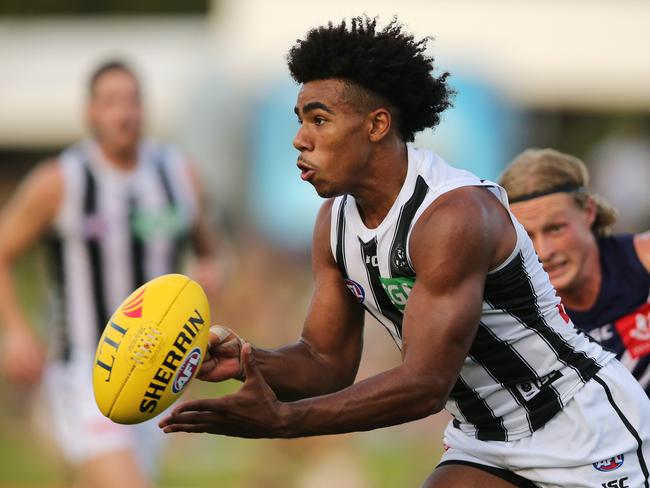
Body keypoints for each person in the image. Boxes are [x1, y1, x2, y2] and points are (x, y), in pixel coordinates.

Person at [160, 17, 650, 487]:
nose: (299, 138)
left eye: (320, 119)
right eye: (300, 119)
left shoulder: (452, 216)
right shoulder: (334, 221)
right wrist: (248, 361)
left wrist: (284, 421)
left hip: (582, 430)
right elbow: (325, 360)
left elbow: (424, 385)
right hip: (487, 441)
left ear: (376, 125)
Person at [0, 60, 219, 488]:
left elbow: (210, 254)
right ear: (91, 113)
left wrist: (204, 296)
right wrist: (16, 331)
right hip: (85, 369)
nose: (124, 113)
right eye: (111, 102)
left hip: (157, 369)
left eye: (133, 100)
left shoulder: (178, 174)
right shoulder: (61, 180)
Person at [500, 148, 650, 394]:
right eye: (527, 236)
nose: (544, 251)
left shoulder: (643, 261)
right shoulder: (512, 317)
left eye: (556, 229)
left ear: (588, 211)